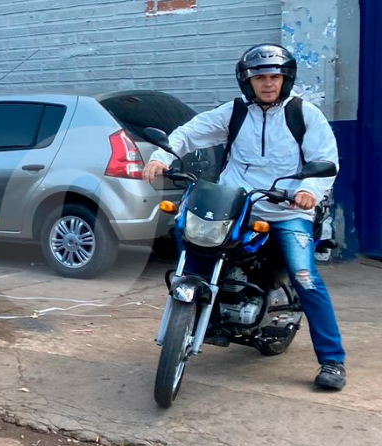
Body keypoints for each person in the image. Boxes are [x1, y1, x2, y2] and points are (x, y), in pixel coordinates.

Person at [142, 44, 345, 390]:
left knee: (304, 275)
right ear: (247, 81)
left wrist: (309, 189)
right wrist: (161, 156)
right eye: (260, 77)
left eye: (274, 77)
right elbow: (191, 132)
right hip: (236, 205)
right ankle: (203, 311)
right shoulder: (234, 112)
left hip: (286, 209)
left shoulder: (304, 113)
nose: (268, 84)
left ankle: (332, 360)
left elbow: (325, 158)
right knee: (192, 243)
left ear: (286, 79)